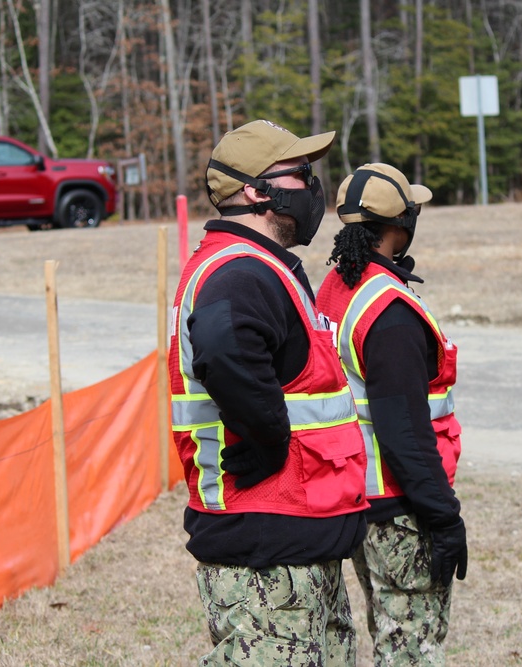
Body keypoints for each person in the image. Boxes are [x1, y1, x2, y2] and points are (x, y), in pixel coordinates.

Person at [167, 119, 369, 665]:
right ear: (258, 191)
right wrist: (268, 442)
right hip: (266, 544)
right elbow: (223, 352)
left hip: (293, 536)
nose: (313, 187)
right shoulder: (239, 273)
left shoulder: (262, 267)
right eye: (301, 175)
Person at [315, 163, 468, 666]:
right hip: (398, 506)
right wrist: (444, 518)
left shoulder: (337, 286)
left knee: (385, 636)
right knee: (409, 648)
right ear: (400, 225)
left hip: (355, 495)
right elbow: (404, 431)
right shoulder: (390, 311)